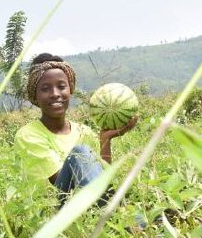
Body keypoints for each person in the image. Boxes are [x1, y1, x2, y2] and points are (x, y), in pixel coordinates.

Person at [15, 53, 137, 206]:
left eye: (61, 86)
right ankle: (123, 216)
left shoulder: (84, 131)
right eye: (45, 89)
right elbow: (60, 188)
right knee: (79, 153)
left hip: (90, 205)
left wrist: (105, 139)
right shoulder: (28, 135)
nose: (55, 94)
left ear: (70, 89)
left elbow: (102, 179)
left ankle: (125, 217)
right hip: (57, 207)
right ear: (35, 95)